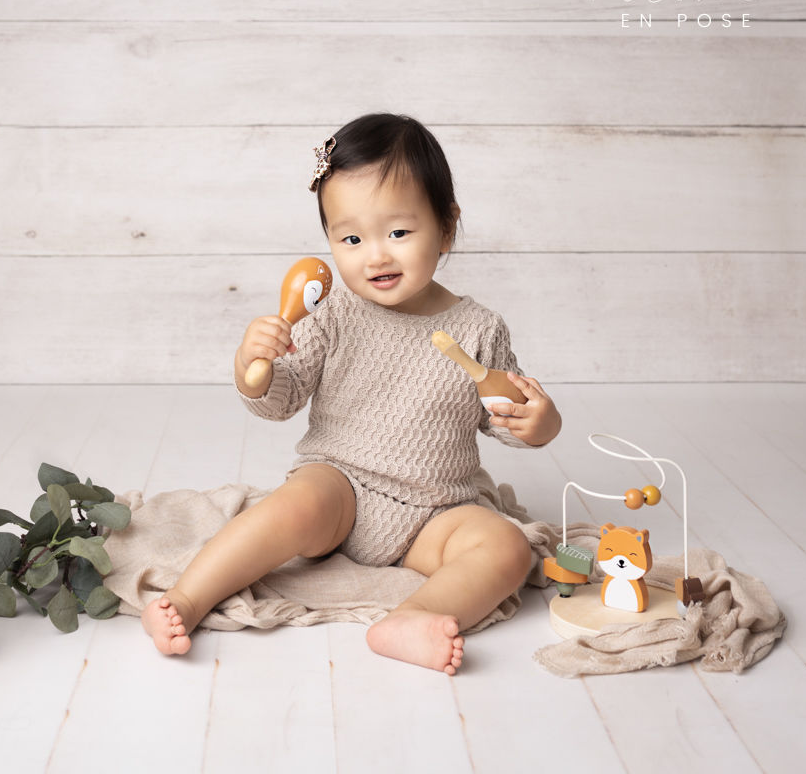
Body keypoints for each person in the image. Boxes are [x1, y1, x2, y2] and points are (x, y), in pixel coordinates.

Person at [142, 113, 562, 674]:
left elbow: (503, 413)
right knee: (289, 506)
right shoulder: (332, 313)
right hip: (340, 485)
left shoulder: (480, 328)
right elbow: (281, 399)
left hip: (436, 509)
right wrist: (255, 367)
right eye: (352, 238)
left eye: (399, 232)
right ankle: (187, 598)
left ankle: (410, 619)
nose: (376, 256)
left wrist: (539, 422)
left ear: (447, 226)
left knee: (506, 548)